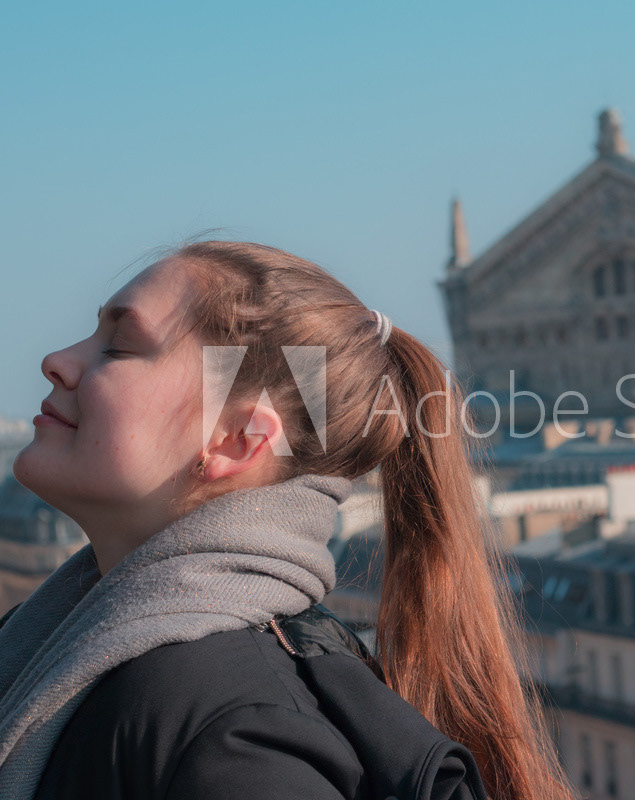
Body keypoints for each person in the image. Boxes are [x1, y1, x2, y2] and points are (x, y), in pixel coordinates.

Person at [0, 241, 577, 800]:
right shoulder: (207, 704)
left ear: (237, 439)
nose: (56, 361)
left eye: (119, 346)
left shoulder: (237, 737)